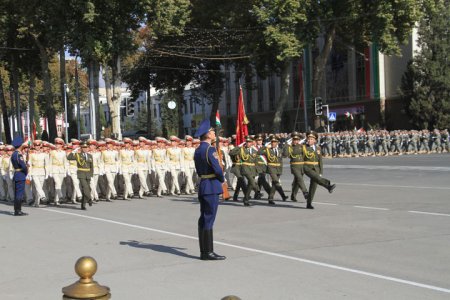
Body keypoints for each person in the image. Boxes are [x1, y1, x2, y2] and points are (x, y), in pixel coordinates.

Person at [194, 119, 226, 261]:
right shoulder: (209, 149)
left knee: (203, 219)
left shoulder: (198, 150)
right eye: (212, 131)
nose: (214, 133)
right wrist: (222, 180)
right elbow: (218, 170)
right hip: (212, 186)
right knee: (209, 219)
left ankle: (204, 251)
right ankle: (208, 252)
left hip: (203, 184)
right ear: (207, 134)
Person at [302, 131, 336, 209]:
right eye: (308, 139)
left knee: (313, 187)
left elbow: (320, 161)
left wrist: (321, 172)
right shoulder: (303, 147)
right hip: (307, 167)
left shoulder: (318, 148)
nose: (309, 140)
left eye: (311, 139)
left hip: (316, 168)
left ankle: (309, 204)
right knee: (316, 178)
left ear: (315, 140)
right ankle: (328, 185)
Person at [67, 141, 94, 210]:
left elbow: (91, 166)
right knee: (85, 188)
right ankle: (89, 199)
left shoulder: (90, 156)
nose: (85, 149)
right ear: (81, 148)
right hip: (81, 173)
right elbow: (69, 157)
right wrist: (74, 151)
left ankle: (83, 204)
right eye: (83, 148)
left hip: (88, 174)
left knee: (88, 189)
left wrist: (91, 174)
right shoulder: (78, 155)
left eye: (86, 148)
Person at [10, 136, 28, 216]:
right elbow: (23, 166)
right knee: (19, 194)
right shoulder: (18, 155)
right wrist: (26, 170)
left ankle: (16, 209)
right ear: (20, 145)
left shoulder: (14, 154)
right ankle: (18, 210)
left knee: (17, 193)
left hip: (17, 174)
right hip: (20, 175)